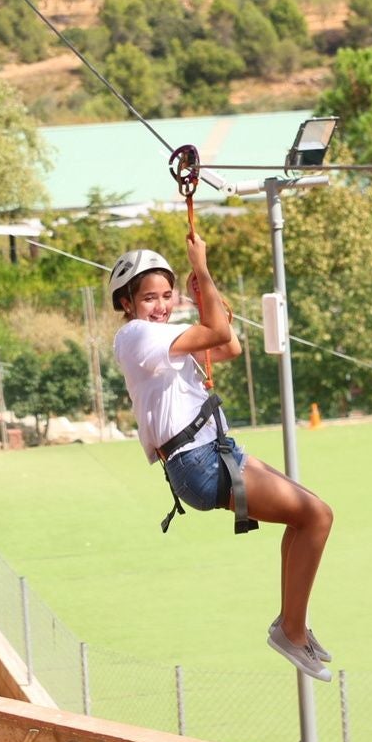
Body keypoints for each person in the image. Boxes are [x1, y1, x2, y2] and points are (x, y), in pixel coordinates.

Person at [109, 235, 335, 681]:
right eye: (149, 298)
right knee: (318, 518)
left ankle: (292, 624)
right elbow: (216, 332)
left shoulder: (164, 341)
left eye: (166, 295)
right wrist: (204, 270)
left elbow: (228, 346)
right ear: (127, 304)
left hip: (214, 453)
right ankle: (290, 629)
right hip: (200, 462)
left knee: (310, 516)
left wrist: (201, 292)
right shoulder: (137, 337)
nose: (160, 306)